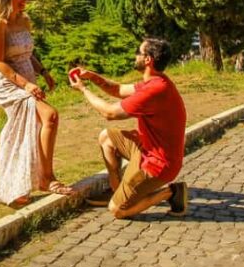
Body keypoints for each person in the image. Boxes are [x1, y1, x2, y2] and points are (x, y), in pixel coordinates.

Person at [69, 37, 188, 219]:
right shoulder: (154, 82)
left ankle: (172, 192)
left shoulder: (155, 90)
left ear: (148, 59)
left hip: (158, 165)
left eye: (138, 52)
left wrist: (84, 89)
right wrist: (92, 76)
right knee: (106, 138)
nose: (135, 55)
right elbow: (117, 89)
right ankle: (117, 190)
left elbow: (110, 113)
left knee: (117, 211)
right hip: (146, 149)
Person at [0, 0, 74, 206]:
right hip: (9, 82)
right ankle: (46, 178)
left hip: (28, 76)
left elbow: (28, 52)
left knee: (25, 131)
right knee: (50, 116)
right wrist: (26, 85)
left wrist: (44, 72)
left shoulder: (24, 20)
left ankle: (21, 185)